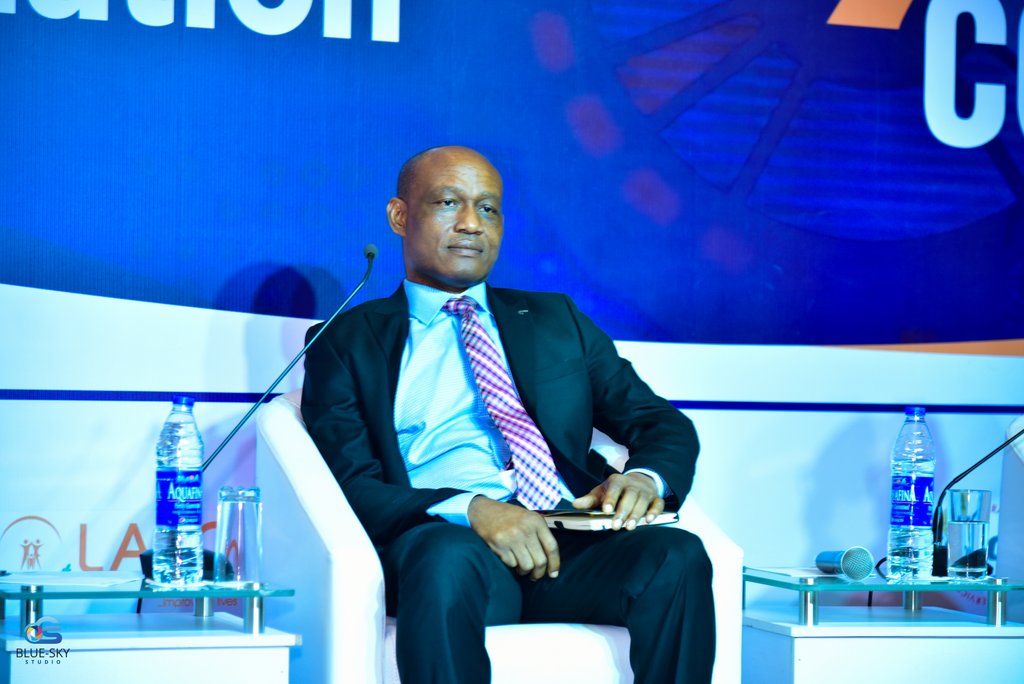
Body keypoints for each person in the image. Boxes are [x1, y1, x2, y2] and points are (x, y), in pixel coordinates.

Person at [301, 145, 715, 683]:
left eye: (488, 209)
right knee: (442, 557)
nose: (471, 224)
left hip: (568, 538)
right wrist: (474, 509)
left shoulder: (556, 319)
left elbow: (660, 422)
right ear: (400, 216)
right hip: (453, 544)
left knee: (676, 555)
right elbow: (351, 482)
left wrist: (644, 477)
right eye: (448, 203)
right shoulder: (346, 342)